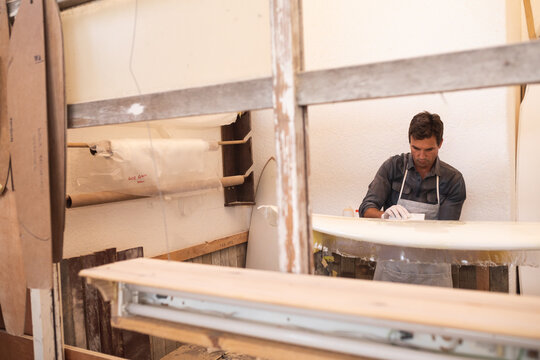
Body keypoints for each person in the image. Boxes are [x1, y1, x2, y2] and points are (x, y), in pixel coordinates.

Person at [358, 111, 466, 287]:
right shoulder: (393, 168)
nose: (421, 156)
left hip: (433, 274)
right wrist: (384, 216)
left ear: (440, 144)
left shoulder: (452, 180)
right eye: (416, 148)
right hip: (392, 271)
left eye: (429, 149)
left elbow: (447, 231)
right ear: (410, 141)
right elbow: (366, 209)